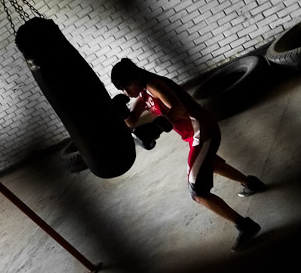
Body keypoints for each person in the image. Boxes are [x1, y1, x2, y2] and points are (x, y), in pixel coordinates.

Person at [111, 58, 267, 251]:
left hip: (204, 131)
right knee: (210, 164)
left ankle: (246, 226)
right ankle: (251, 183)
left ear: (135, 77)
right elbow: (131, 122)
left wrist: (157, 127)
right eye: (122, 90)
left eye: (126, 87)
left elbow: (179, 108)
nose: (126, 92)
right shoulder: (143, 94)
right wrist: (121, 111)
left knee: (198, 192)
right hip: (196, 135)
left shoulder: (153, 84)